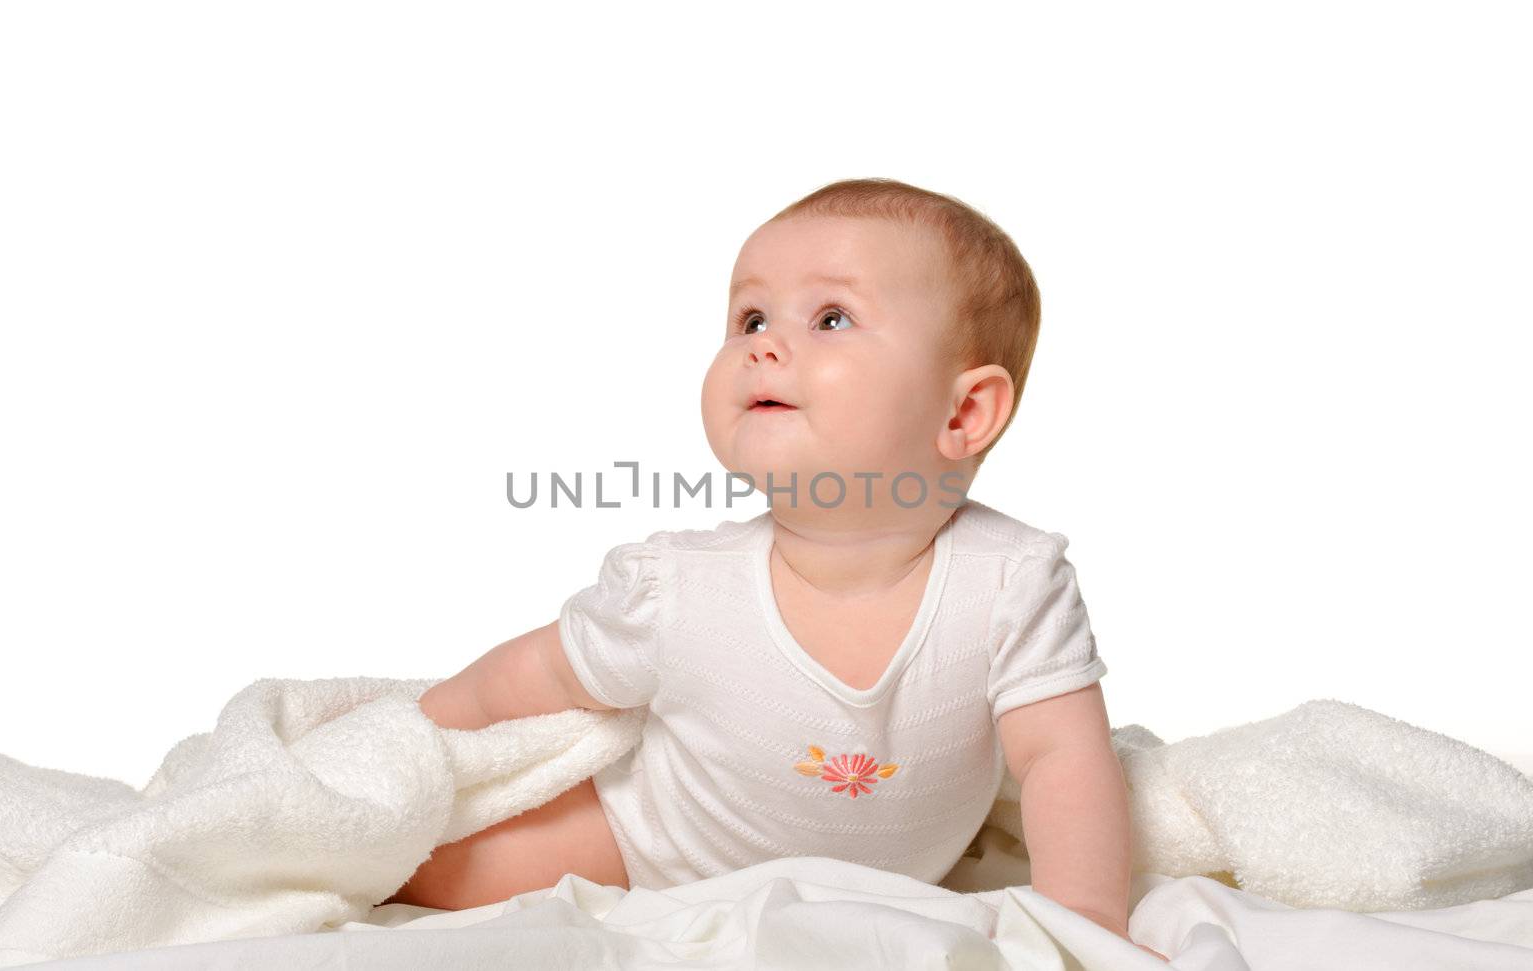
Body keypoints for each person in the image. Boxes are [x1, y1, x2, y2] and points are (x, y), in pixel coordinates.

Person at [390, 177, 1166, 961]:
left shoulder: (1012, 583)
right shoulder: (678, 588)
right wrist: (414, 735)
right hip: (647, 849)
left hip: (896, 884)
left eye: (831, 317)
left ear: (964, 413)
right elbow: (532, 678)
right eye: (750, 317)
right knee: (430, 871)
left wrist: (1086, 921)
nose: (762, 343)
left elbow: (1063, 758)